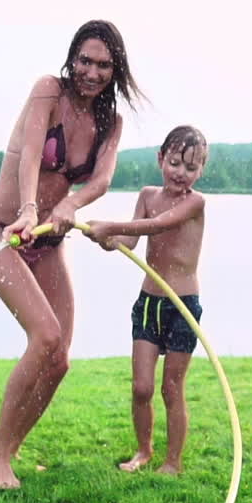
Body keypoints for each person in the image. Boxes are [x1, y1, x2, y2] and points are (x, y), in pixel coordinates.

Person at [0, 20, 144, 489]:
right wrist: (29, 210)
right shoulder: (48, 90)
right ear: (72, 58)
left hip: (47, 242)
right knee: (45, 335)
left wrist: (71, 204)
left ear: (116, 70)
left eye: (104, 65)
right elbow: (32, 154)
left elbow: (101, 180)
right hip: (3, 234)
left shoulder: (111, 122)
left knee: (60, 359)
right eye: (85, 60)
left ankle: (11, 450)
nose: (92, 72)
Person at [84, 126, 208, 475]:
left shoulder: (195, 203)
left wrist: (110, 225)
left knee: (171, 388)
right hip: (149, 304)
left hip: (182, 305)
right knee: (142, 387)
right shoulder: (147, 195)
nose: (181, 173)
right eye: (174, 163)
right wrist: (105, 238)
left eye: (191, 167)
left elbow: (159, 225)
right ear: (160, 158)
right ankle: (143, 451)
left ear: (201, 171)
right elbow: (130, 241)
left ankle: (173, 462)